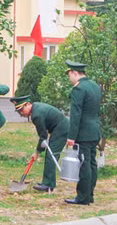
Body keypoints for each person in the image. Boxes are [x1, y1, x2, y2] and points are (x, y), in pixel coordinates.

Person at [11, 95, 68, 192]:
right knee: (50, 154)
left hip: (61, 129)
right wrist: (38, 150)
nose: (21, 113)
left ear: (28, 104)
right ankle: (47, 183)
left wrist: (37, 152)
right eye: (19, 111)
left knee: (51, 155)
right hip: (58, 128)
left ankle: (48, 185)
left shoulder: (36, 115)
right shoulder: (36, 108)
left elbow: (43, 136)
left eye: (22, 109)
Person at [64, 61, 101, 205]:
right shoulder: (94, 86)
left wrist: (71, 137)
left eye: (69, 75)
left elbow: (76, 115)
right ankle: (89, 194)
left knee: (84, 165)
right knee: (92, 164)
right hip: (95, 130)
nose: (69, 79)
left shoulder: (78, 89)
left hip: (84, 133)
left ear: (74, 73)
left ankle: (83, 197)